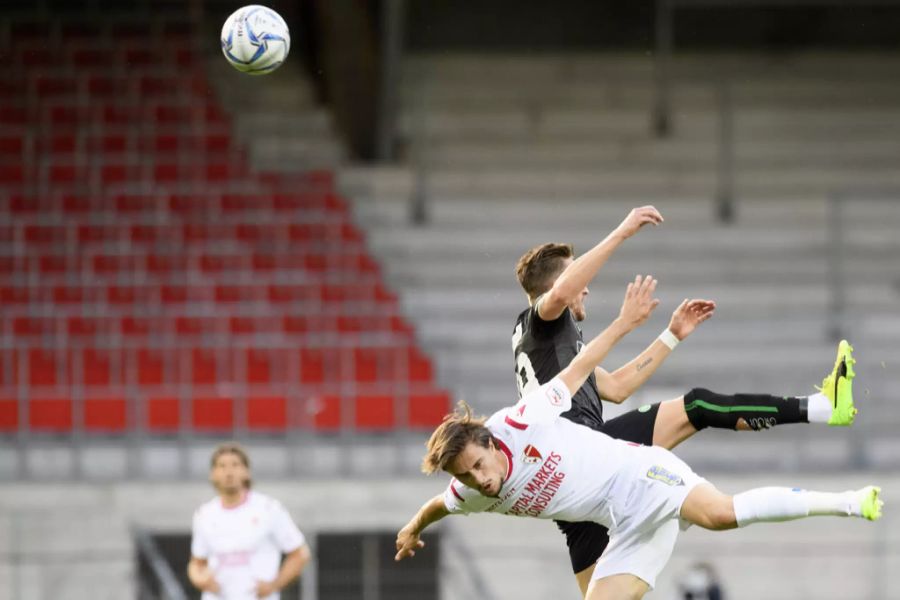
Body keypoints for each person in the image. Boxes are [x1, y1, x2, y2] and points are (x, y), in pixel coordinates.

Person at [396, 280, 881, 600]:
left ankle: (849, 502)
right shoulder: (466, 488)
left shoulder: (524, 419)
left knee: (719, 514)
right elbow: (439, 504)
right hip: (614, 523)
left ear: (490, 441)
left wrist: (629, 318)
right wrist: (413, 528)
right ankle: (821, 411)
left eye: (479, 465)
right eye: (468, 475)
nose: (480, 480)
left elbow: (582, 367)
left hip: (640, 475)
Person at [512, 207, 857, 594]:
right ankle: (821, 408)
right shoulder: (540, 319)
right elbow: (560, 291)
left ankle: (821, 407)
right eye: (580, 274)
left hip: (577, 487)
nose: (588, 286)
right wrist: (622, 233)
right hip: (586, 458)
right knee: (698, 407)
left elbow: (617, 387)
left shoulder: (554, 348)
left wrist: (671, 335)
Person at [188, 443, 311, 600]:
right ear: (213, 474)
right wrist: (199, 579)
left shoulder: (268, 509)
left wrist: (274, 585)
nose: (229, 472)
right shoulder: (204, 514)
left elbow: (300, 554)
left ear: (246, 472)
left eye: (235, 465)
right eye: (222, 466)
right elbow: (196, 562)